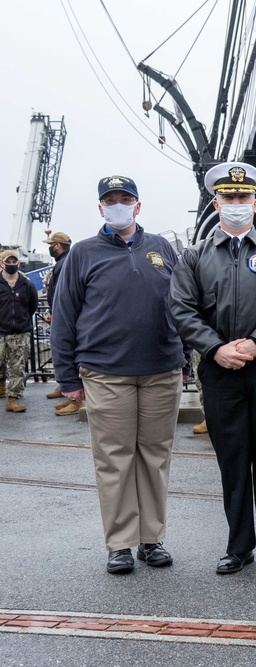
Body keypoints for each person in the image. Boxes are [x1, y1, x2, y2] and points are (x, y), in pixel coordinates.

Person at [170, 162, 256, 575]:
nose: (235, 204)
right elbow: (181, 308)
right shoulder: (194, 257)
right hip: (220, 372)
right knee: (233, 461)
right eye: (228, 198)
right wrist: (215, 348)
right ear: (217, 202)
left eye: (242, 198)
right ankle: (239, 546)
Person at [50, 175, 186, 574]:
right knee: (114, 459)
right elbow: (64, 318)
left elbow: (182, 305)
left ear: (138, 206)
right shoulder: (82, 254)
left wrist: (188, 357)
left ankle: (151, 538)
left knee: (155, 456)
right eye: (110, 200)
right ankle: (121, 543)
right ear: (100, 209)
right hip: (106, 373)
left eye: (125, 199)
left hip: (161, 371)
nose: (118, 205)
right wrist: (68, 378)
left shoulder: (161, 248)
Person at [41, 231, 78, 413]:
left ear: (56, 246)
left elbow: (61, 293)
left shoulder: (63, 265)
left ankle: (76, 399)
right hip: (63, 313)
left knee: (66, 351)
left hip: (63, 316)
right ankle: (69, 393)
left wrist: (55, 313)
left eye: (51, 245)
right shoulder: (69, 262)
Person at [1, 249, 39, 413]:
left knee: (17, 367)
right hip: (0, 331)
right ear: (1, 263)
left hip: (20, 332)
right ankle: (2, 385)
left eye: (13, 262)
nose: (11, 264)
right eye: (7, 262)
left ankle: (13, 399)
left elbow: (33, 305)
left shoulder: (26, 284)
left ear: (18, 263)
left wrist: (22, 321)